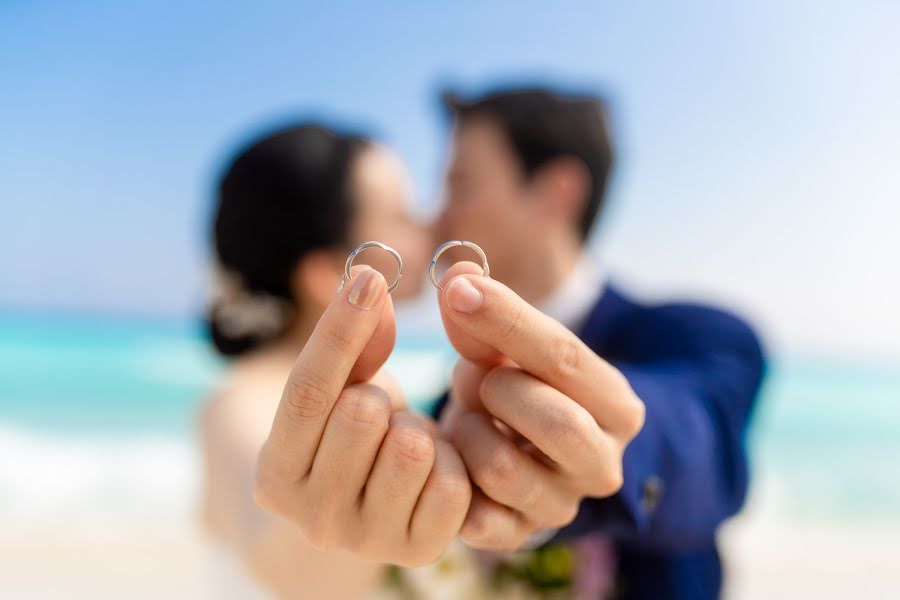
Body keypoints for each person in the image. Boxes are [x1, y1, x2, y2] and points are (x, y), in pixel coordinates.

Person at [431, 88, 767, 598]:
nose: (440, 218)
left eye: (460, 186)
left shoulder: (702, 337)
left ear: (556, 193)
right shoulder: (452, 403)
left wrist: (599, 440)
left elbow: (696, 445)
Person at [199, 122, 441, 599]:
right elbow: (279, 552)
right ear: (330, 271)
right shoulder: (240, 405)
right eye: (402, 215)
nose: (430, 226)